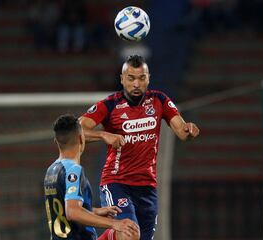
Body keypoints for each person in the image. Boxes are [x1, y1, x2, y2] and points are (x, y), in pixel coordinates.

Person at [80, 55, 200, 239]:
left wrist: (189, 130)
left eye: (141, 78)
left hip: (147, 186)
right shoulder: (110, 104)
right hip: (116, 182)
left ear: (148, 78)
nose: (136, 84)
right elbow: (77, 129)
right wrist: (103, 135)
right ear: (122, 79)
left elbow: (182, 131)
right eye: (131, 78)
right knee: (129, 232)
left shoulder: (159, 100)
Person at [44, 114, 140, 240]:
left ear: (56, 141)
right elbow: (73, 212)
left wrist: (94, 211)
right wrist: (115, 223)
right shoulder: (73, 170)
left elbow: (62, 209)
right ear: (81, 138)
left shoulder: (51, 170)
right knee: (129, 232)